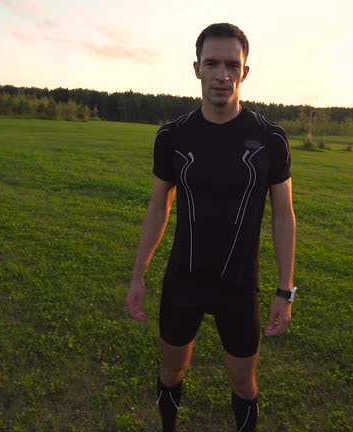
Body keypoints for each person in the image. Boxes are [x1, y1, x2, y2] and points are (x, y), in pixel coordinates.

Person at [125, 23, 297, 432]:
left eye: (231, 65)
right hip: (182, 283)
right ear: (197, 69)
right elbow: (158, 207)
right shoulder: (173, 136)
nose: (222, 74)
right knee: (171, 373)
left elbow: (284, 215)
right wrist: (138, 275)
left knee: (243, 382)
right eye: (212, 64)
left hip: (239, 288)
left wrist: (285, 290)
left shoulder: (270, 138)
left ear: (245, 72)